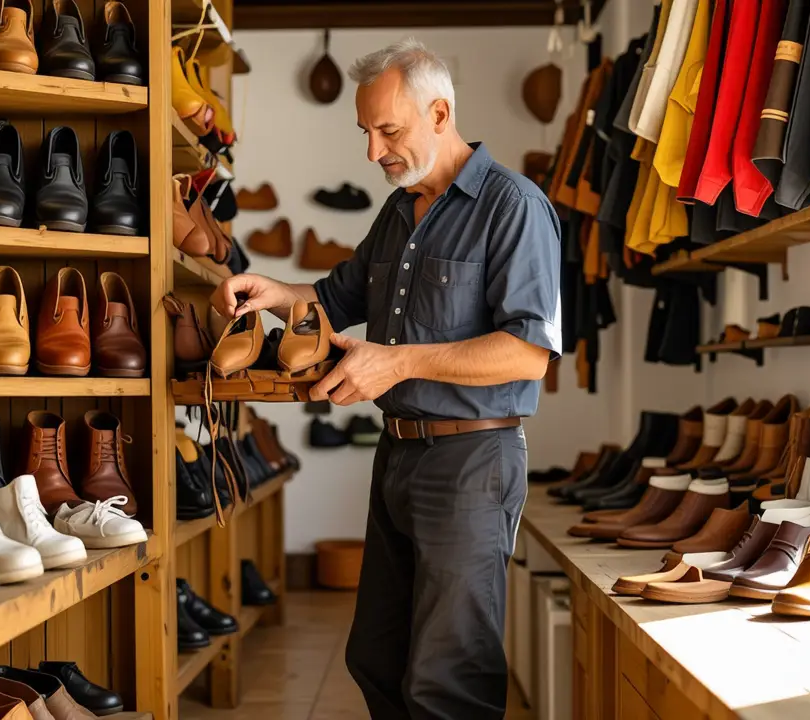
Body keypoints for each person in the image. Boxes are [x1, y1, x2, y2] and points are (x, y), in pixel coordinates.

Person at [212, 38, 562, 719]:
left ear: (439, 112)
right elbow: (334, 299)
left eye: (388, 131)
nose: (373, 152)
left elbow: (528, 353)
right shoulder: (400, 211)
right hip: (399, 454)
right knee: (377, 658)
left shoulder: (511, 206)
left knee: (447, 677)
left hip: (472, 460)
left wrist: (397, 361)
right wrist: (270, 291)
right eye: (365, 133)